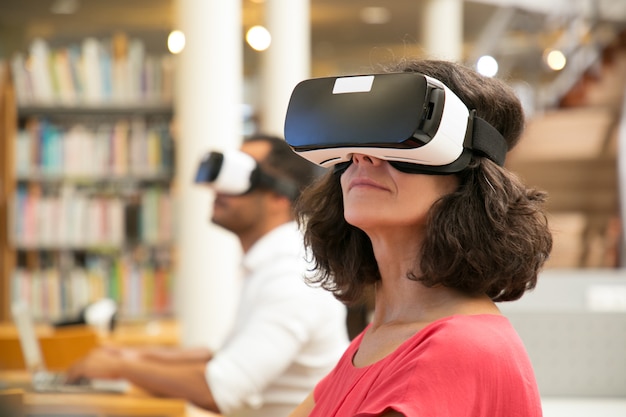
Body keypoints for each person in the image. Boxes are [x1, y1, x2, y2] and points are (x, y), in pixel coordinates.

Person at [285, 59, 553, 416]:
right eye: (357, 141)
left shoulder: (453, 348)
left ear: (468, 170)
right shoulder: (377, 341)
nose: (363, 157)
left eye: (397, 139)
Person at [66, 134, 350, 417]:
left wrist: (120, 368)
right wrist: (132, 356)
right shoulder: (271, 265)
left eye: (240, 175)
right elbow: (221, 356)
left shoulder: (292, 276)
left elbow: (222, 390)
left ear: (278, 196)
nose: (219, 187)